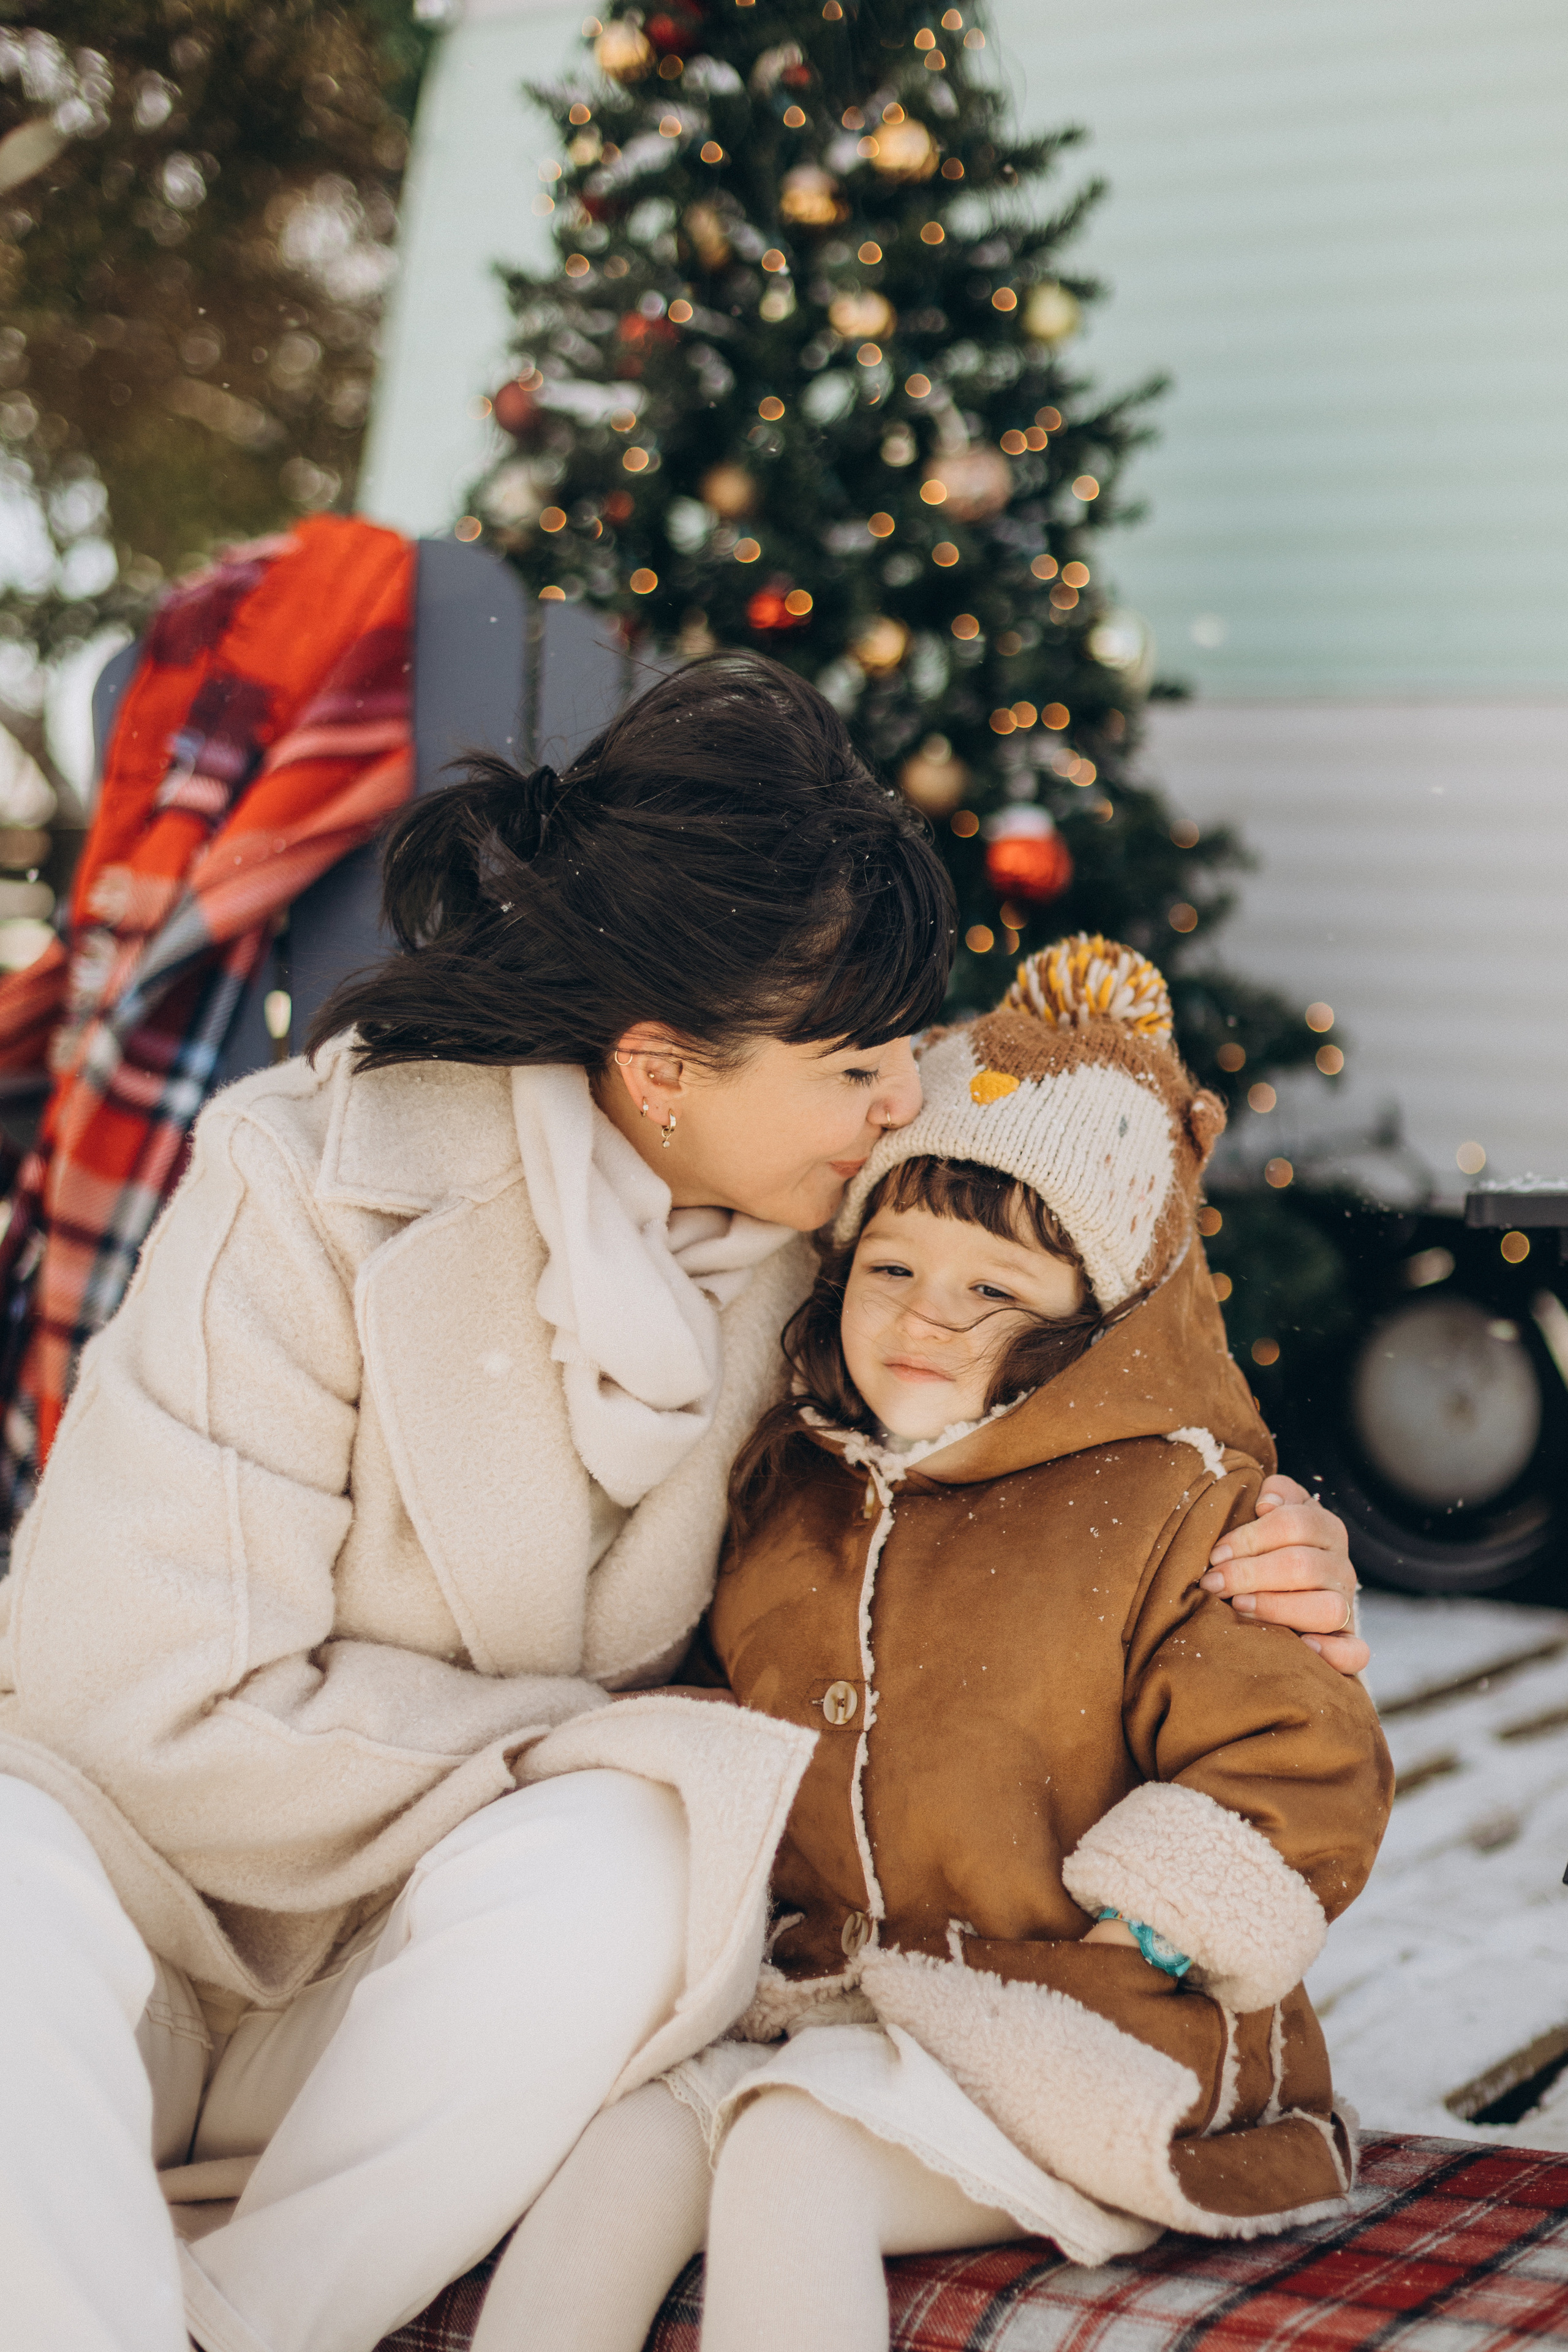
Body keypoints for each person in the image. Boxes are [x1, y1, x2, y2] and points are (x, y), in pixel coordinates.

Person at [0, 660, 1365, 2352]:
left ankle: (254, 2323)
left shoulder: (824, 1235)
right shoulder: (307, 1186)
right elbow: (140, 1705)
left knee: (642, 1841)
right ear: (660, 1070)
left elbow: (1085, 1361)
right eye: (860, 1065)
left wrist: (1255, 1544)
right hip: (138, 1915)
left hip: (423, 2000)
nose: (905, 1103)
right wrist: (567, 1744)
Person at [477, 937, 1391, 2352]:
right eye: (891, 1264)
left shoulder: (1170, 1504)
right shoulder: (795, 1487)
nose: (921, 1316)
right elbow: (718, 1703)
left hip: (1094, 2029)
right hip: (837, 2007)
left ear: (1086, 1329)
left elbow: (1297, 1755)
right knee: (628, 2148)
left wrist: (1149, 1926)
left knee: (793, 2151)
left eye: (992, 1292)